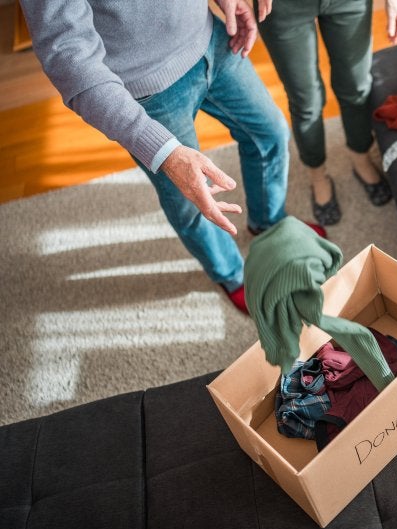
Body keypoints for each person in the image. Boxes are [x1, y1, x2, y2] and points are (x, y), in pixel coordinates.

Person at [19, 0, 323, 314]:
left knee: (270, 133)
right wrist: (162, 151)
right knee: (191, 197)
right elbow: (69, 59)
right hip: (146, 91)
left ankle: (268, 224)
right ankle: (231, 274)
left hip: (213, 39)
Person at [257, 0, 397, 226]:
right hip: (283, 7)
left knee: (356, 87)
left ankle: (361, 158)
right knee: (306, 102)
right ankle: (317, 175)